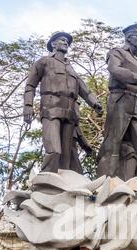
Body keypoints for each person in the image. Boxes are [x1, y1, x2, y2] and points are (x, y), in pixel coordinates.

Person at [23, 31, 102, 173]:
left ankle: (62, 189)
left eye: (67, 42)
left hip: (70, 112)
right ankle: (44, 183)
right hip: (51, 109)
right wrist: (28, 105)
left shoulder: (70, 68)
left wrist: (95, 103)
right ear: (53, 44)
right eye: (62, 40)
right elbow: (30, 85)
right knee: (54, 150)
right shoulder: (44, 62)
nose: (66, 43)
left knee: (66, 158)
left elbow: (83, 88)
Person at [97, 23, 137, 179]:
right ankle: (105, 183)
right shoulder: (117, 52)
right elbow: (115, 70)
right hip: (121, 99)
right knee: (113, 143)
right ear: (129, 36)